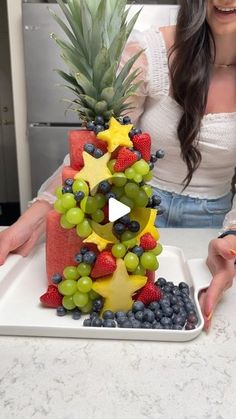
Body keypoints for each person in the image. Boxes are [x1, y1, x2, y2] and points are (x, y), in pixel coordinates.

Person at [0, 0, 235, 331]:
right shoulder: (151, 52)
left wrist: (233, 237)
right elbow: (99, 153)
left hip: (211, 224)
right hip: (129, 212)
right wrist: (32, 219)